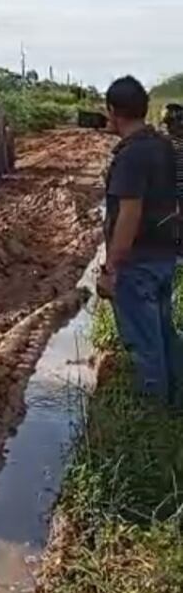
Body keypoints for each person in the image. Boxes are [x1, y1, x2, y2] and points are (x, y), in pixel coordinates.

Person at [98, 76, 180, 403]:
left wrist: (112, 267)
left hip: (138, 261)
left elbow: (129, 214)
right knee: (163, 333)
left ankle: (152, 413)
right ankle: (174, 400)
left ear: (113, 111)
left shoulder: (131, 156)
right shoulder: (163, 146)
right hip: (163, 253)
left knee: (145, 343)